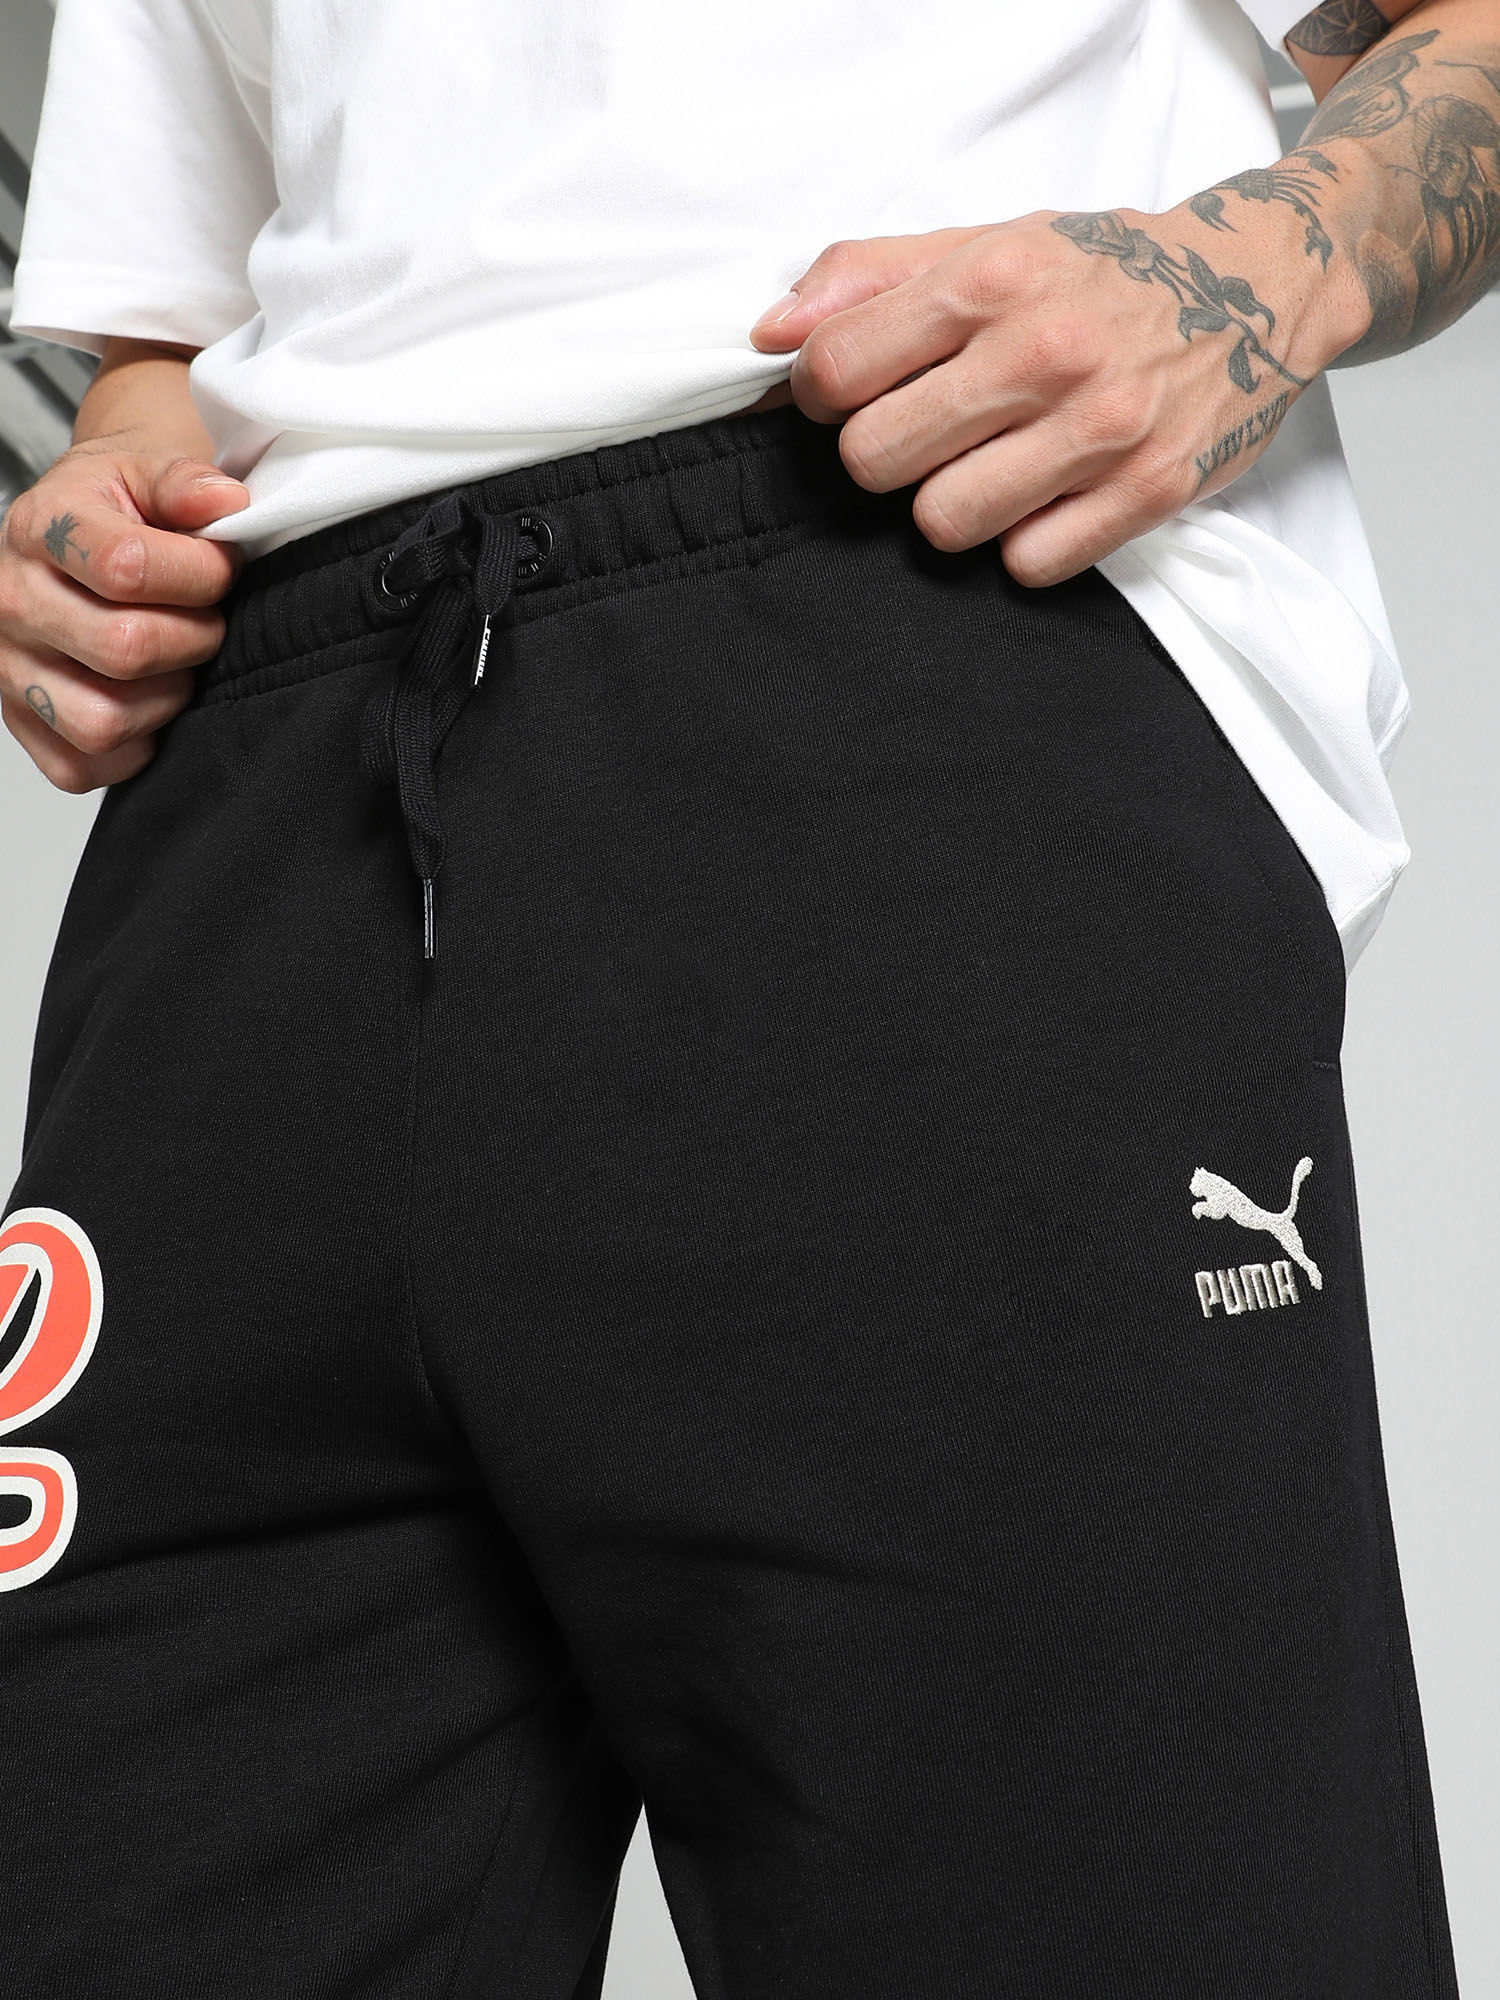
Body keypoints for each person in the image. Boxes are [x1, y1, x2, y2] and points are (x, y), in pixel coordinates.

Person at [0, 0, 1490, 1990]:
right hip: (263, 776)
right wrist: (112, 485)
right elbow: (169, 318)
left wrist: (1246, 277)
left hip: (908, 614)